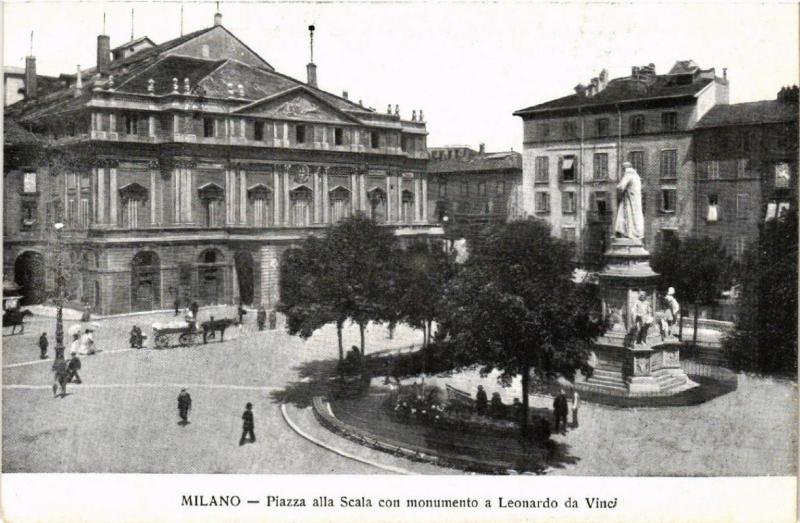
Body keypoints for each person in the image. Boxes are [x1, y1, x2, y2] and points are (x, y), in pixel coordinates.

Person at [613, 162, 644, 241]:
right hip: (635, 200)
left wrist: (617, 187)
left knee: (626, 216)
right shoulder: (637, 177)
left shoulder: (628, 175)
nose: (622, 171)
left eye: (623, 169)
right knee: (635, 217)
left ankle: (626, 233)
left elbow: (620, 187)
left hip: (629, 200)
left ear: (625, 168)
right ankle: (634, 234)